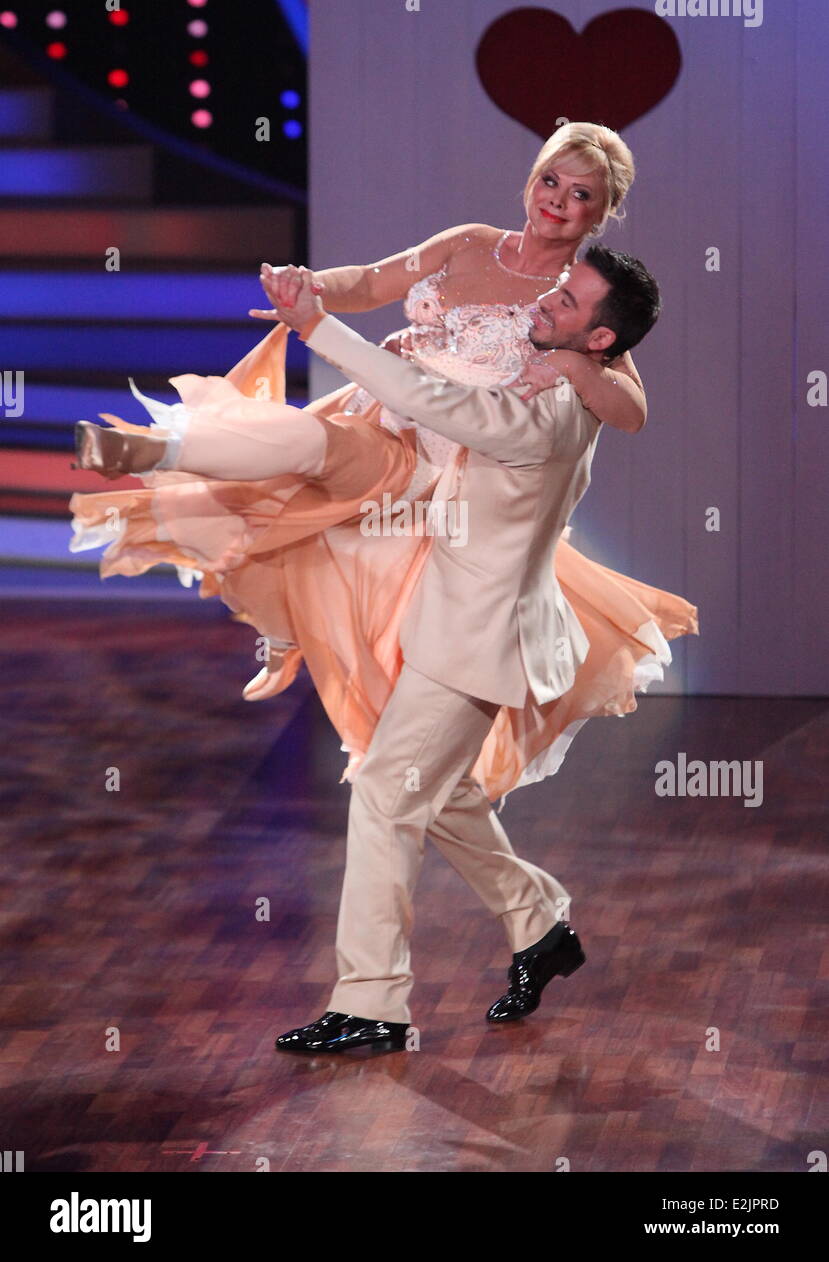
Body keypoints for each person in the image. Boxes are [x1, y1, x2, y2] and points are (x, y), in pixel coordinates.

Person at [68, 122, 697, 806]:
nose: (556, 201)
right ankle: (151, 448)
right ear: (530, 179)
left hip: (446, 465)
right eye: (549, 180)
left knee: (354, 556)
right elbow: (369, 283)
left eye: (580, 194)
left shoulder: (577, 296)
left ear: (602, 214)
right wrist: (310, 289)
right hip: (383, 411)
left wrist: (575, 363)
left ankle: (306, 647)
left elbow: (630, 410)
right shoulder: (469, 244)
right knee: (302, 454)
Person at [255, 252, 660, 1051]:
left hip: (476, 634)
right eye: (558, 285)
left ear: (600, 335)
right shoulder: (562, 375)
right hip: (477, 622)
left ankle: (372, 1006)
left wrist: (318, 327)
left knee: (384, 794)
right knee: (436, 793)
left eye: (568, 300)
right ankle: (538, 923)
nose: (546, 300)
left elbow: (431, 402)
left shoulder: (542, 415)